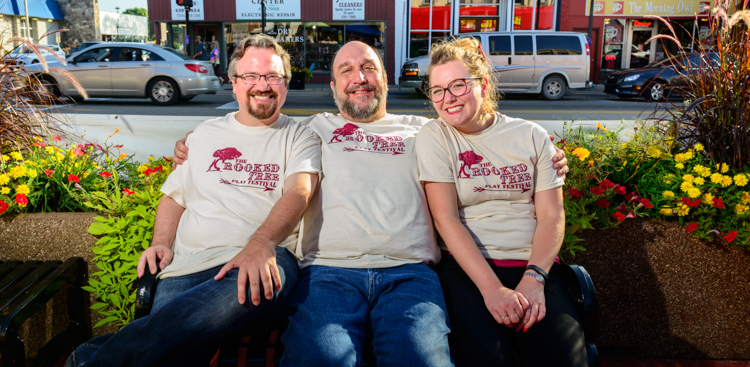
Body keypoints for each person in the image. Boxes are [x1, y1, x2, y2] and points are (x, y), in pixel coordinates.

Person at [174, 41, 568, 366]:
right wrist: (191, 145)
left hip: (410, 275)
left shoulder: (427, 132)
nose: (358, 78)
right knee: (319, 359)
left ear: (384, 78)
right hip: (327, 274)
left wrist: (546, 158)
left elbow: (485, 134)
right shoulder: (308, 130)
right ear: (332, 87)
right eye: (346, 70)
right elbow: (250, 135)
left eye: (368, 67)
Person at [66, 34, 321, 367]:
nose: (264, 85)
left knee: (180, 331)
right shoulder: (203, 135)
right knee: (174, 349)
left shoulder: (301, 136)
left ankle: (96, 360)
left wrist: (261, 244)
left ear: (286, 83)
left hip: (265, 259)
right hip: (186, 268)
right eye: (251, 76)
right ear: (234, 84)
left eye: (273, 76)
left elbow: (299, 191)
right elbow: (175, 195)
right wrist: (161, 243)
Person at [415, 36, 587, 366]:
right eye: (437, 90)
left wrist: (535, 278)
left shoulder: (532, 136)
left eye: (458, 85)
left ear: (482, 84)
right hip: (470, 268)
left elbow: (552, 216)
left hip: (535, 266)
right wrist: (492, 290)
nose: (447, 98)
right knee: (487, 357)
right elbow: (446, 219)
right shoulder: (436, 136)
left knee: (565, 356)